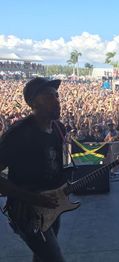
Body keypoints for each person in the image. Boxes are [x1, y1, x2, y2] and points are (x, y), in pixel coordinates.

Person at [0, 77, 67, 261]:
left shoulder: (59, 129)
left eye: (57, 95)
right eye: (49, 96)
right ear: (33, 102)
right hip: (26, 213)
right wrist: (33, 198)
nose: (57, 101)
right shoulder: (18, 134)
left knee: (42, 256)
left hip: (52, 207)